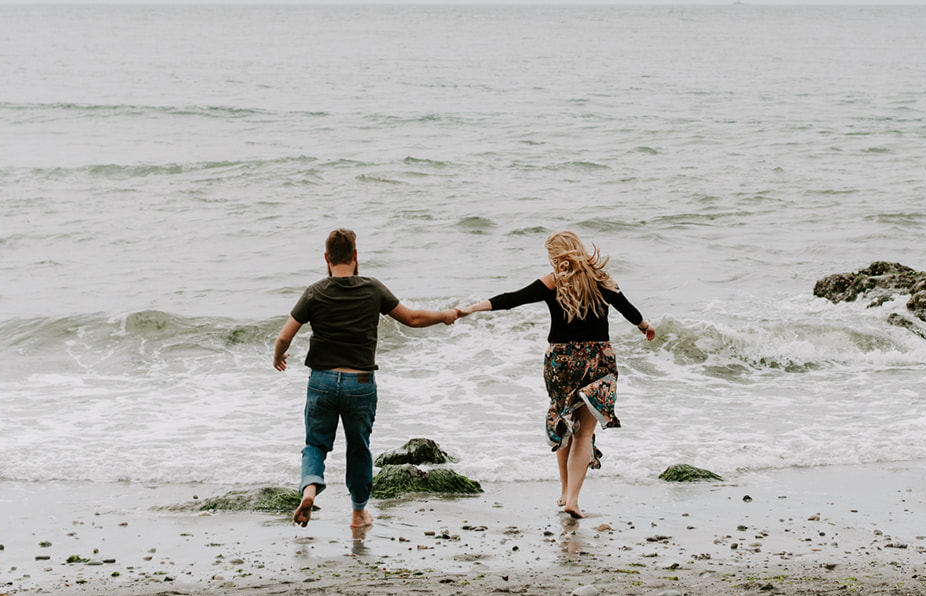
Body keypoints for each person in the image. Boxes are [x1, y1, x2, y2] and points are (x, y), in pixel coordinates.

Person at [456, 230, 654, 518]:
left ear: (556, 256)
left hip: (561, 360)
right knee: (584, 433)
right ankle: (572, 498)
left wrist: (472, 308)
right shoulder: (602, 280)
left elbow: (512, 299)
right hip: (598, 360)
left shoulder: (553, 282)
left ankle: (564, 491)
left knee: (564, 421)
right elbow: (629, 311)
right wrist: (645, 327)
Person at [273, 227, 459, 533]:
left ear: (326, 258)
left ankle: (309, 489)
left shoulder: (314, 292)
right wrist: (445, 314)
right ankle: (359, 515)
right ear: (356, 257)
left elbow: (284, 336)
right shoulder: (373, 289)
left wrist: (278, 356)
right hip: (360, 382)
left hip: (322, 380)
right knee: (358, 448)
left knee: (315, 444)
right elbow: (412, 318)